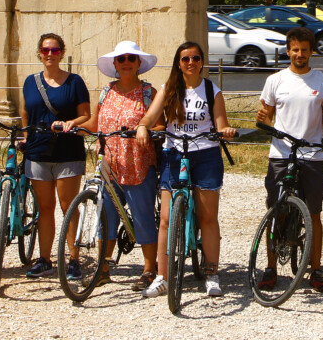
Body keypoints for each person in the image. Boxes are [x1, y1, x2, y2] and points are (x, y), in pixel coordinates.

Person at [136, 41, 237, 299]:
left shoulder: (212, 90)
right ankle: (162, 276)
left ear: (202, 61)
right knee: (167, 220)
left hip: (205, 154)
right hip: (174, 154)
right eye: (185, 59)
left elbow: (221, 122)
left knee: (207, 217)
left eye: (195, 58)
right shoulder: (169, 89)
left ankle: (212, 273)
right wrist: (142, 126)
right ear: (178, 63)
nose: (190, 62)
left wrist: (225, 131)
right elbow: (150, 116)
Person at [255, 27, 323, 293]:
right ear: (288, 51)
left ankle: (316, 270)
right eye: (295, 49)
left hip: (312, 154)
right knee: (274, 210)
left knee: (314, 213)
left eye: (304, 49)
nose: (299, 54)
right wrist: (265, 121)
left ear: (311, 51)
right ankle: (270, 269)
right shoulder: (275, 80)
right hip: (281, 153)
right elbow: (265, 115)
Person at [87, 40, 161, 289]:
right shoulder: (107, 91)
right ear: (115, 64)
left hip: (137, 162)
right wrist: (71, 125)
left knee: (142, 216)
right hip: (108, 162)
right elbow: (94, 122)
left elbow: (162, 124)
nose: (126, 63)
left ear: (139, 63)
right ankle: (102, 268)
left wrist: (145, 129)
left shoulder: (149, 93)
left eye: (131, 58)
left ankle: (149, 269)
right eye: (122, 59)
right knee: (106, 215)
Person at [19, 33, 91, 280]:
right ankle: (45, 258)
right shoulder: (30, 81)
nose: (50, 54)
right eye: (46, 50)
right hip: (38, 151)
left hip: (67, 149)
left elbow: (86, 115)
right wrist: (24, 137)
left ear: (62, 52)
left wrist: (70, 122)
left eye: (55, 50)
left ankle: (73, 258)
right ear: (39, 52)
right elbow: (25, 113)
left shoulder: (74, 82)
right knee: (45, 208)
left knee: (68, 206)